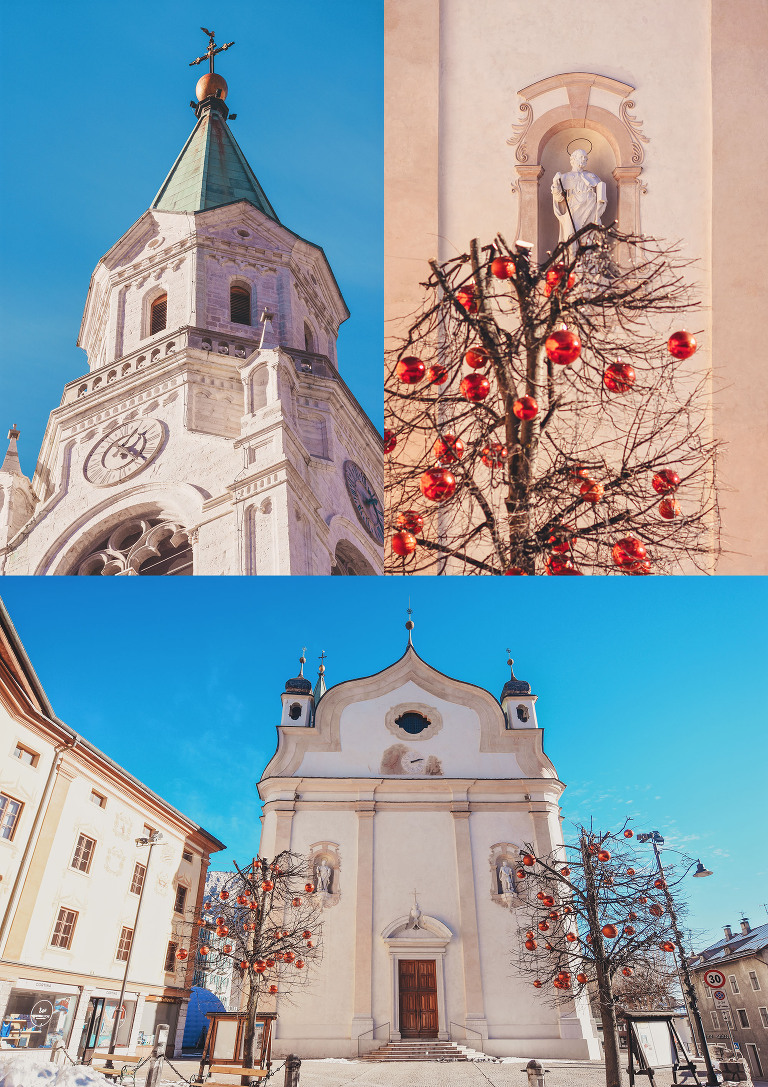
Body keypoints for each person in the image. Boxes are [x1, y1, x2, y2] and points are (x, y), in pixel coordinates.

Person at [551, 148, 607, 247]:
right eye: (581, 157)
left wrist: (598, 212)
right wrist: (556, 183)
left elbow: (601, 197)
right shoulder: (564, 177)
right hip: (572, 212)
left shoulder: (592, 177)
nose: (584, 159)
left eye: (586, 158)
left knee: (587, 242)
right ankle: (571, 262)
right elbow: (559, 198)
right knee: (571, 242)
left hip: (590, 211)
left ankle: (587, 263)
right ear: (573, 159)